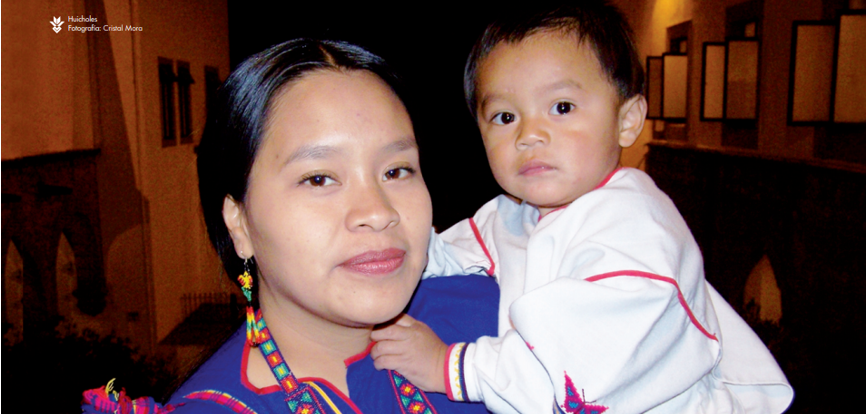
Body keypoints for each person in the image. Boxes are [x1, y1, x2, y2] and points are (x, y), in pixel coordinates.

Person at [370, 4, 794, 413]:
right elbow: (446, 255)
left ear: (627, 120)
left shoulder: (635, 228)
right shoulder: (514, 214)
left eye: (562, 108)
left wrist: (449, 366)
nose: (529, 134)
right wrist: (387, 239)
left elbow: (580, 364)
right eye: (504, 117)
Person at [82, 38, 498, 414]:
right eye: (318, 179)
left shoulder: (496, 321)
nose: (377, 212)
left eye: (396, 170)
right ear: (239, 223)